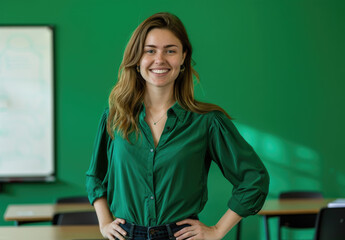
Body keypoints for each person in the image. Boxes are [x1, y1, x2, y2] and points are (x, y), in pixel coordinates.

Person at [86, 12, 269, 240]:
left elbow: (254, 178)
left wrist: (217, 230)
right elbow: (95, 176)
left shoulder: (207, 122)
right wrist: (104, 222)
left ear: (183, 57)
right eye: (150, 50)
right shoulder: (114, 118)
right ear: (137, 58)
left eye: (170, 50)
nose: (159, 59)